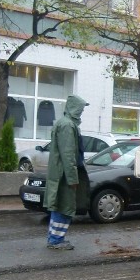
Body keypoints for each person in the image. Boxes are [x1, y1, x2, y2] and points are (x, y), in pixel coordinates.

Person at [44, 95, 90, 250]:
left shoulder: (64, 123)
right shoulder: (68, 126)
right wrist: (73, 179)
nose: (82, 111)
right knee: (65, 206)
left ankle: (53, 238)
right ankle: (56, 240)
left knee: (59, 205)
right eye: (81, 108)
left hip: (60, 173)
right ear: (74, 108)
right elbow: (68, 155)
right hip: (64, 175)